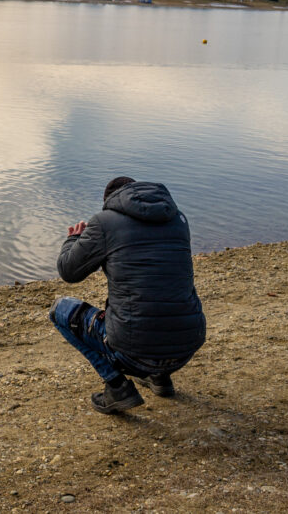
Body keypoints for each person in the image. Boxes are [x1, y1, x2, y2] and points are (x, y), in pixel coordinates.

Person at [49, 176, 205, 414]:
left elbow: (68, 271)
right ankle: (160, 378)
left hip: (133, 352)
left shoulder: (104, 222)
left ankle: (117, 387)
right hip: (185, 347)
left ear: (111, 202)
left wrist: (73, 240)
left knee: (60, 309)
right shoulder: (178, 220)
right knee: (160, 293)